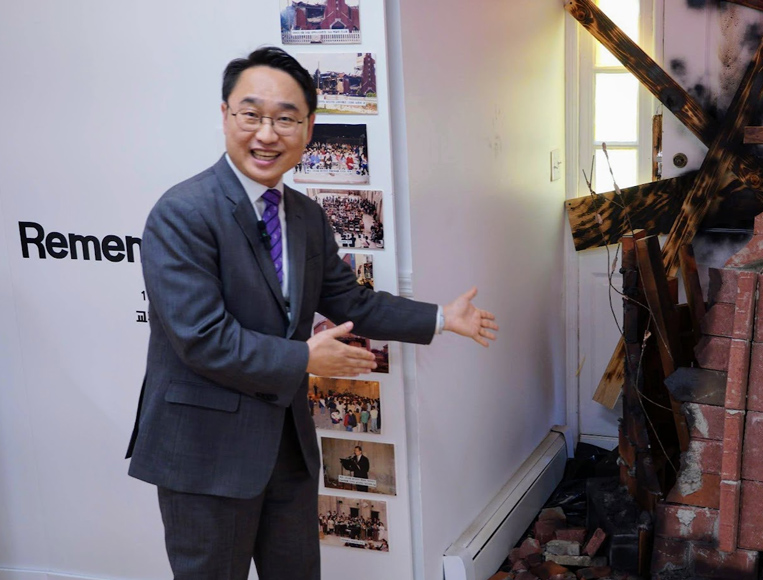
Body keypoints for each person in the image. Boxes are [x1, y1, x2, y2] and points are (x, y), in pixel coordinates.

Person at [125, 46, 498, 580]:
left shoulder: (303, 215)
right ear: (226, 116)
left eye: (285, 119)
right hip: (206, 453)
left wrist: (441, 318)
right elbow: (202, 337)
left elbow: (351, 302)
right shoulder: (182, 213)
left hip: (287, 448)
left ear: (308, 128)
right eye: (251, 115)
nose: (267, 134)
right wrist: (305, 358)